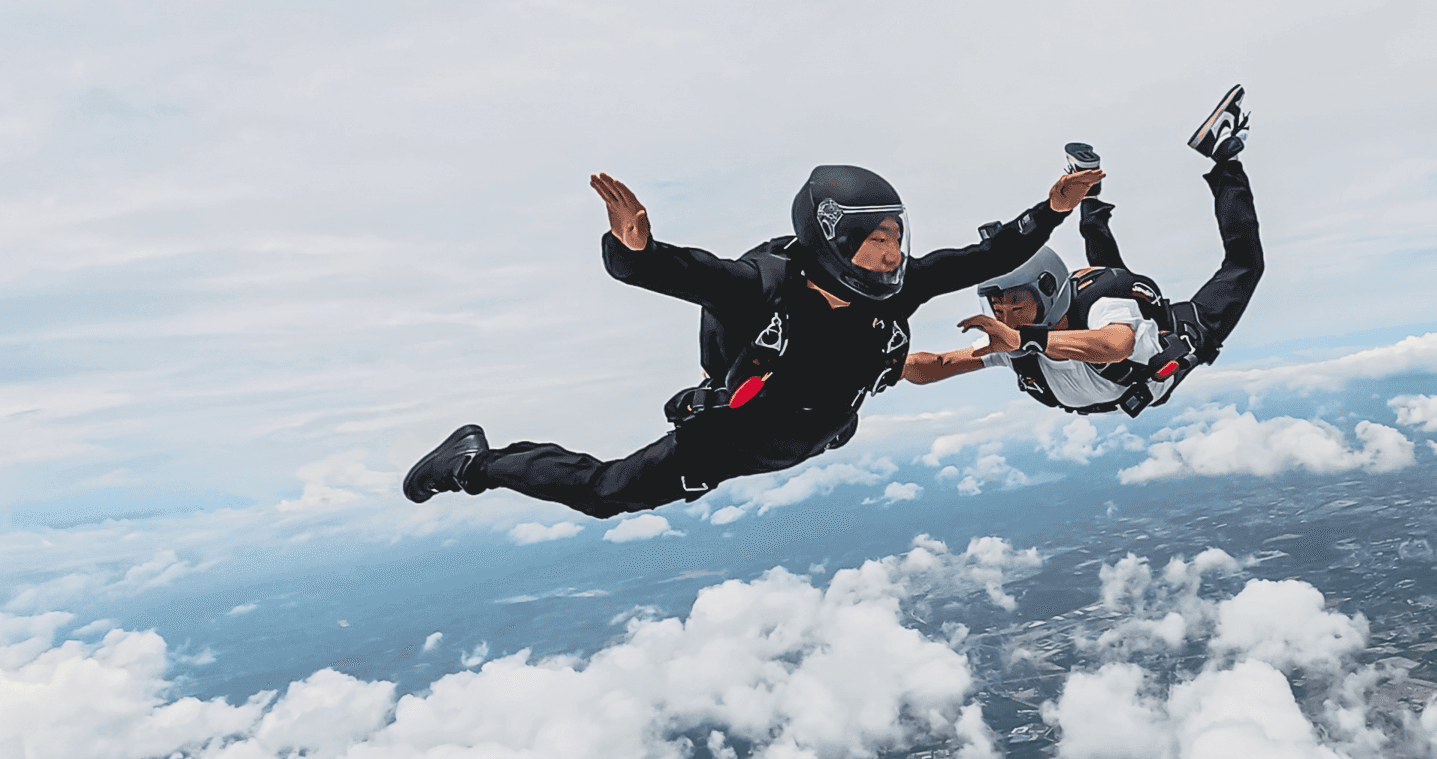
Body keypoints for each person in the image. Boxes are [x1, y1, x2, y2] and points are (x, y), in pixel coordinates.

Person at [403, 162, 1104, 516]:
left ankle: (835, 415)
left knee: (862, 385)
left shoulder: (906, 286)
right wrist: (636, 251)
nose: (894, 255)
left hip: (812, 430)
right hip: (731, 439)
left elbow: (979, 260)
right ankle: (476, 463)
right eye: (878, 242)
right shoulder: (763, 287)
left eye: (896, 237)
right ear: (834, 239)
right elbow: (680, 272)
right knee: (602, 492)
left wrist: (1050, 211)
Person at [901, 84, 1263, 416]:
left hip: (1163, 326)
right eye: (998, 307)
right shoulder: (1012, 343)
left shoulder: (1060, 325)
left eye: (1016, 305)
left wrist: (1025, 339)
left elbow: (1115, 344)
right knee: (1104, 262)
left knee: (1244, 266)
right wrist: (880, 362)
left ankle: (1224, 158)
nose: (1006, 317)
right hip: (1098, 303)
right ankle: (1088, 189)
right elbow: (936, 364)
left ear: (1047, 293)